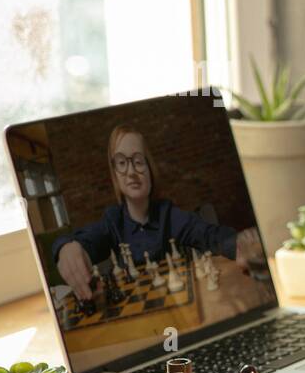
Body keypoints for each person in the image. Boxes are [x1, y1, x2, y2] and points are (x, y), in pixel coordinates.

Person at [52, 124, 262, 301]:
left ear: (150, 169)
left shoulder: (169, 215)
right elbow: (85, 240)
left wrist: (238, 243)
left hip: (178, 303)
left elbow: (208, 234)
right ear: (115, 175)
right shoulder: (112, 221)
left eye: (138, 161)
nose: (132, 172)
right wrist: (66, 248)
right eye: (122, 163)